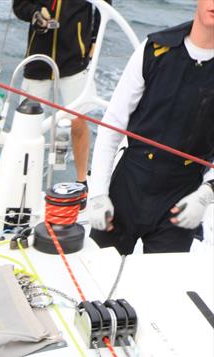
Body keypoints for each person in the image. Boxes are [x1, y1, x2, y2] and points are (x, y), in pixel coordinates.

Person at [88, 0, 214, 255]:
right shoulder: (154, 48)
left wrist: (207, 192)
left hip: (183, 195)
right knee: (97, 274)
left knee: (159, 287)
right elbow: (112, 125)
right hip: (130, 182)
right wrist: (98, 194)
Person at [13, 0, 103, 184]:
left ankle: (81, 182)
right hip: (38, 60)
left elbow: (104, 7)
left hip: (74, 59)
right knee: (28, 125)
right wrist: (35, 13)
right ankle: (22, 183)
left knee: (78, 122)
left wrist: (94, 39)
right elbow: (19, 6)